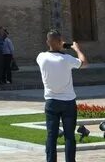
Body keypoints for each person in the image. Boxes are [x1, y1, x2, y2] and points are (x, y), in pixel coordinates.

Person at [36, 30, 87, 162]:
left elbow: (51, 50)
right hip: (68, 102)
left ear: (47, 42)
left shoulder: (41, 57)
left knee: (51, 136)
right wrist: (76, 49)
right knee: (69, 136)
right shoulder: (67, 59)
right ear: (60, 42)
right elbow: (84, 62)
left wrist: (57, 45)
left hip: (51, 101)